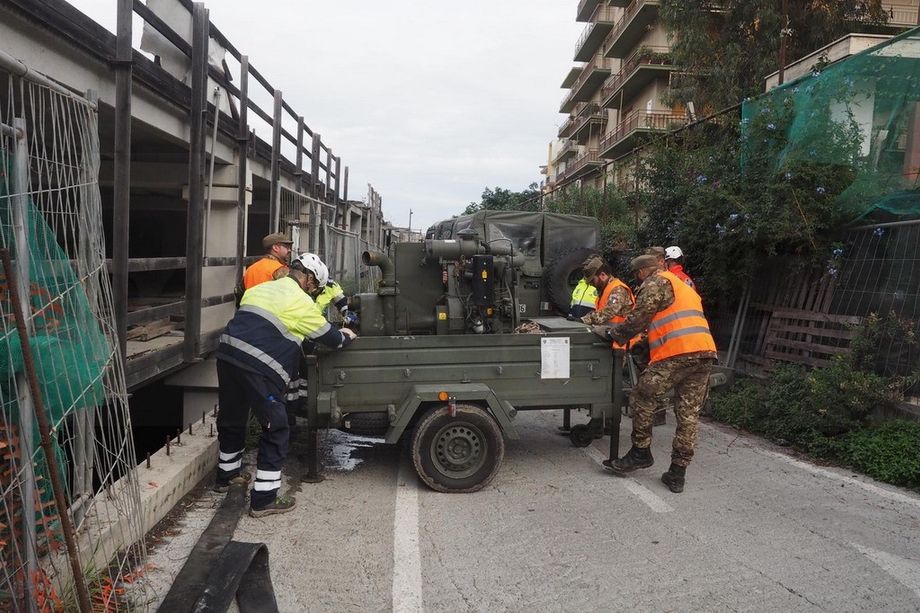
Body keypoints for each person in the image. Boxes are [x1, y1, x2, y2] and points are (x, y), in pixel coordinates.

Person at [214, 265, 357, 517]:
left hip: (227, 354)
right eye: (316, 287)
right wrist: (347, 335)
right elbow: (331, 339)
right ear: (309, 279)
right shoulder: (302, 302)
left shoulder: (261, 289)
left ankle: (227, 476)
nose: (314, 292)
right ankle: (264, 499)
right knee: (277, 426)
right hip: (257, 366)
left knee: (232, 416)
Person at [595, 254, 716, 493]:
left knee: (642, 396)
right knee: (688, 414)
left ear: (642, 272)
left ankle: (641, 452)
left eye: (636, 276)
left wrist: (614, 335)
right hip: (704, 352)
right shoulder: (683, 285)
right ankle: (677, 473)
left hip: (678, 352)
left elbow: (639, 317)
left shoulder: (655, 282)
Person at [579, 257, 636, 353]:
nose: (592, 284)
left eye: (593, 280)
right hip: (613, 341)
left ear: (602, 275)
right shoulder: (606, 290)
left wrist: (584, 320)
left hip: (624, 344)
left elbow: (608, 312)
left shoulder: (618, 289)